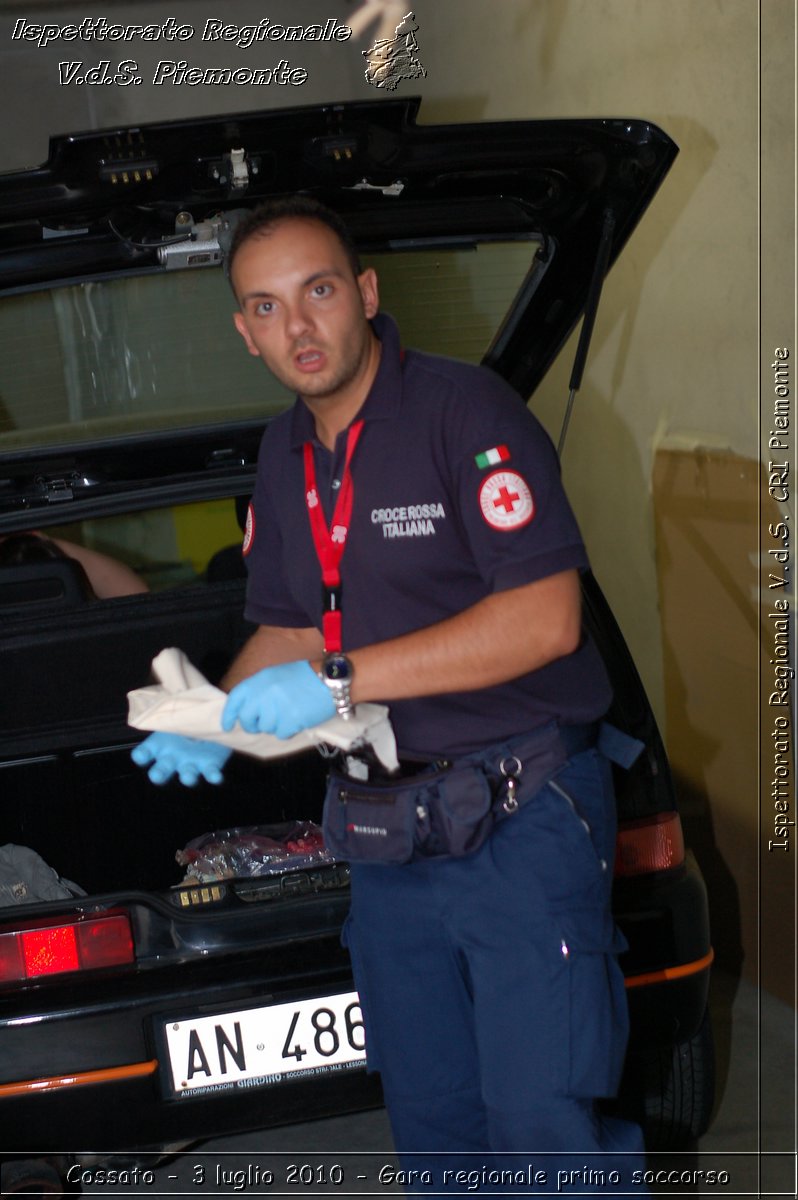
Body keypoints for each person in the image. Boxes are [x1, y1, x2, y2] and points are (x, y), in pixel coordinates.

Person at [132, 197, 646, 1192]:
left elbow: (547, 620)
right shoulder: (284, 457)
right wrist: (218, 716)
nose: (300, 328)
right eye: (268, 308)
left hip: (522, 819)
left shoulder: (467, 412)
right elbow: (288, 621)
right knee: (434, 1117)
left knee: (543, 1124)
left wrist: (336, 679)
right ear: (245, 332)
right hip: (385, 833)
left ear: (365, 293)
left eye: (318, 291)